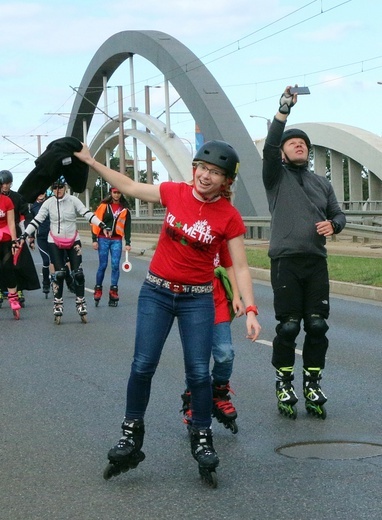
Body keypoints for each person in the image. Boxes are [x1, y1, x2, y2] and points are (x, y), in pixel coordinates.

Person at [74, 139, 261, 486]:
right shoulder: (174, 192)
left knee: (197, 374)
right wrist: (91, 162)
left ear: (226, 181)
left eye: (215, 173)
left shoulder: (229, 217)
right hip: (157, 293)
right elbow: (129, 186)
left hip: (197, 300)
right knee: (142, 365)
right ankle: (130, 434)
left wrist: (250, 308)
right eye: (202, 168)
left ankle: (201, 436)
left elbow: (243, 267)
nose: (205, 176)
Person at [262, 85, 346, 420]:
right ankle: (284, 382)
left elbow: (338, 214)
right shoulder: (275, 177)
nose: (300, 145)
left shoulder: (322, 183)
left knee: (317, 326)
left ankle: (312, 381)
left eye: (304, 144)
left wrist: (334, 226)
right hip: (285, 262)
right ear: (283, 152)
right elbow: (269, 147)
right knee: (288, 327)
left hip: (315, 263)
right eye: (293, 142)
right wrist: (284, 109)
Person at [19, 176, 110, 324]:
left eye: (60, 187)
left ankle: (80, 302)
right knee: (60, 274)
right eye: (54, 188)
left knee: (78, 274)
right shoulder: (48, 203)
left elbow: (87, 214)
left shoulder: (73, 200)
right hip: (54, 240)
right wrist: (24, 235)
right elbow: (37, 220)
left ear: (65, 187)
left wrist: (102, 225)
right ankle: (58, 303)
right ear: (51, 189)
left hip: (73, 239)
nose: (58, 190)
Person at [181, 240, 245, 434]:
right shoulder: (187, 229)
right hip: (191, 299)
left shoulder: (220, 231)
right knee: (197, 357)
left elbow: (229, 264)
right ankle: (193, 398)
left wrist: (235, 295)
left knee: (225, 353)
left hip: (216, 299)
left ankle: (218, 393)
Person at [0, 170, 40, 305]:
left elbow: (26, 216)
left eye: (7, 183)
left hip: (14, 232)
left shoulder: (17, 197)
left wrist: (30, 236)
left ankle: (20, 289)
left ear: (11, 183)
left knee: (18, 264)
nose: (5, 186)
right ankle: (1, 290)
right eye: (3, 183)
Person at [91, 187, 132, 307]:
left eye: (119, 192)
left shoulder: (124, 209)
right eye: (115, 192)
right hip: (103, 239)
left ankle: (113, 290)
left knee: (115, 265)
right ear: (111, 193)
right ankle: (98, 288)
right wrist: (94, 240)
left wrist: (128, 242)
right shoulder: (104, 206)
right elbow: (95, 221)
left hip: (116, 240)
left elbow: (127, 226)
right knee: (103, 265)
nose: (117, 195)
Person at [0, 185, 22, 319]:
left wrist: (14, 241)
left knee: (7, 268)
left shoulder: (6, 201)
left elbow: (11, 223)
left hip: (6, 239)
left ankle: (13, 299)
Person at [30, 192, 53, 295]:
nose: (40, 194)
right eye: (38, 193)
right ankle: (46, 283)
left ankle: (65, 280)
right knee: (46, 261)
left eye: (42, 192)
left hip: (52, 237)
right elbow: (31, 223)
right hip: (41, 238)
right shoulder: (33, 207)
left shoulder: (50, 203)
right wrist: (31, 239)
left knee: (56, 261)